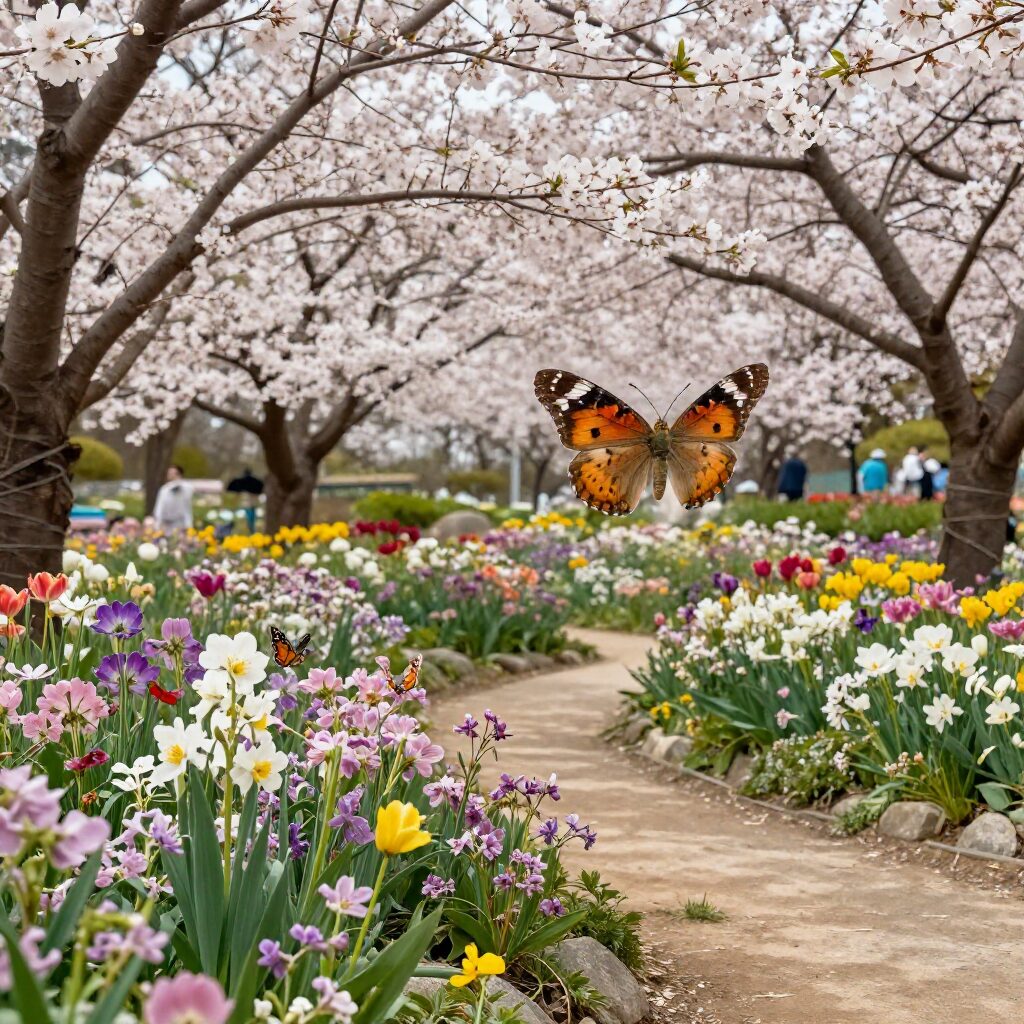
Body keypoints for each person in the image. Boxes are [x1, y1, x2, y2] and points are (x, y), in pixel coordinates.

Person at [153, 464, 193, 532]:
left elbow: (187, 508)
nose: (169, 475)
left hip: (179, 523)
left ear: (179, 474)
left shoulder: (185, 487)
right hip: (166, 523)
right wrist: (157, 523)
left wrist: (189, 525)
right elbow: (159, 507)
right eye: (168, 473)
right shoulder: (164, 489)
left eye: (172, 473)